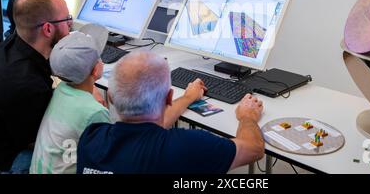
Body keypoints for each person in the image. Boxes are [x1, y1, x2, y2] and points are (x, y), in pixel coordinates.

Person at [77, 51, 265, 174]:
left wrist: (188, 98)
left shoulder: (91, 139)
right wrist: (247, 117)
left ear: (111, 97)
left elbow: (145, 129)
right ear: (168, 98)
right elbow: (254, 149)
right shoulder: (188, 145)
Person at [0, 0, 72, 173]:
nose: (71, 25)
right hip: (9, 158)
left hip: (9, 134)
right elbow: (45, 139)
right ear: (47, 29)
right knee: (74, 151)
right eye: (67, 19)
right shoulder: (28, 85)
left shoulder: (11, 44)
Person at [30, 24, 111, 174]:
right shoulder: (96, 112)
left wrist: (92, 89)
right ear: (95, 69)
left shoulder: (61, 89)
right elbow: (106, 157)